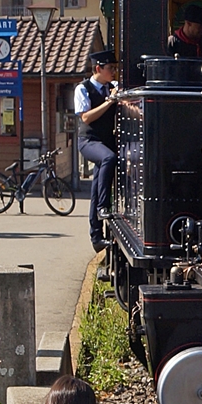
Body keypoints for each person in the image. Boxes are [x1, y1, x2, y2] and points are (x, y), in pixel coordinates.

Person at [75, 50, 118, 252]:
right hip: (89, 141)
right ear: (98, 68)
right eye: (111, 68)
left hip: (105, 141)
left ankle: (96, 236)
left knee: (95, 187)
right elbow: (85, 118)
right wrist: (109, 101)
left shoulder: (114, 87)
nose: (114, 72)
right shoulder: (82, 89)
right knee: (109, 158)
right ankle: (103, 206)